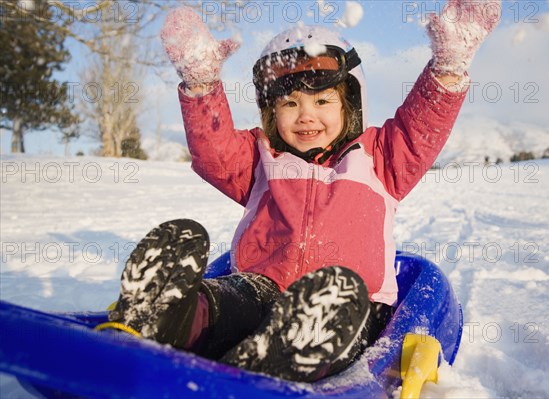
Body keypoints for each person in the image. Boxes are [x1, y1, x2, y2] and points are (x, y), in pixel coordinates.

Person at [107, 1, 499, 382]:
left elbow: (420, 129)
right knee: (217, 285)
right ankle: (168, 317)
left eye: (323, 100)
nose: (306, 114)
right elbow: (214, 152)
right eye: (290, 102)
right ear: (270, 112)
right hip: (259, 287)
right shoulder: (260, 158)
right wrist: (201, 84)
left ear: (350, 107)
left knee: (335, 302)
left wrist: (447, 69)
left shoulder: (380, 159)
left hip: (347, 306)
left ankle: (281, 358)